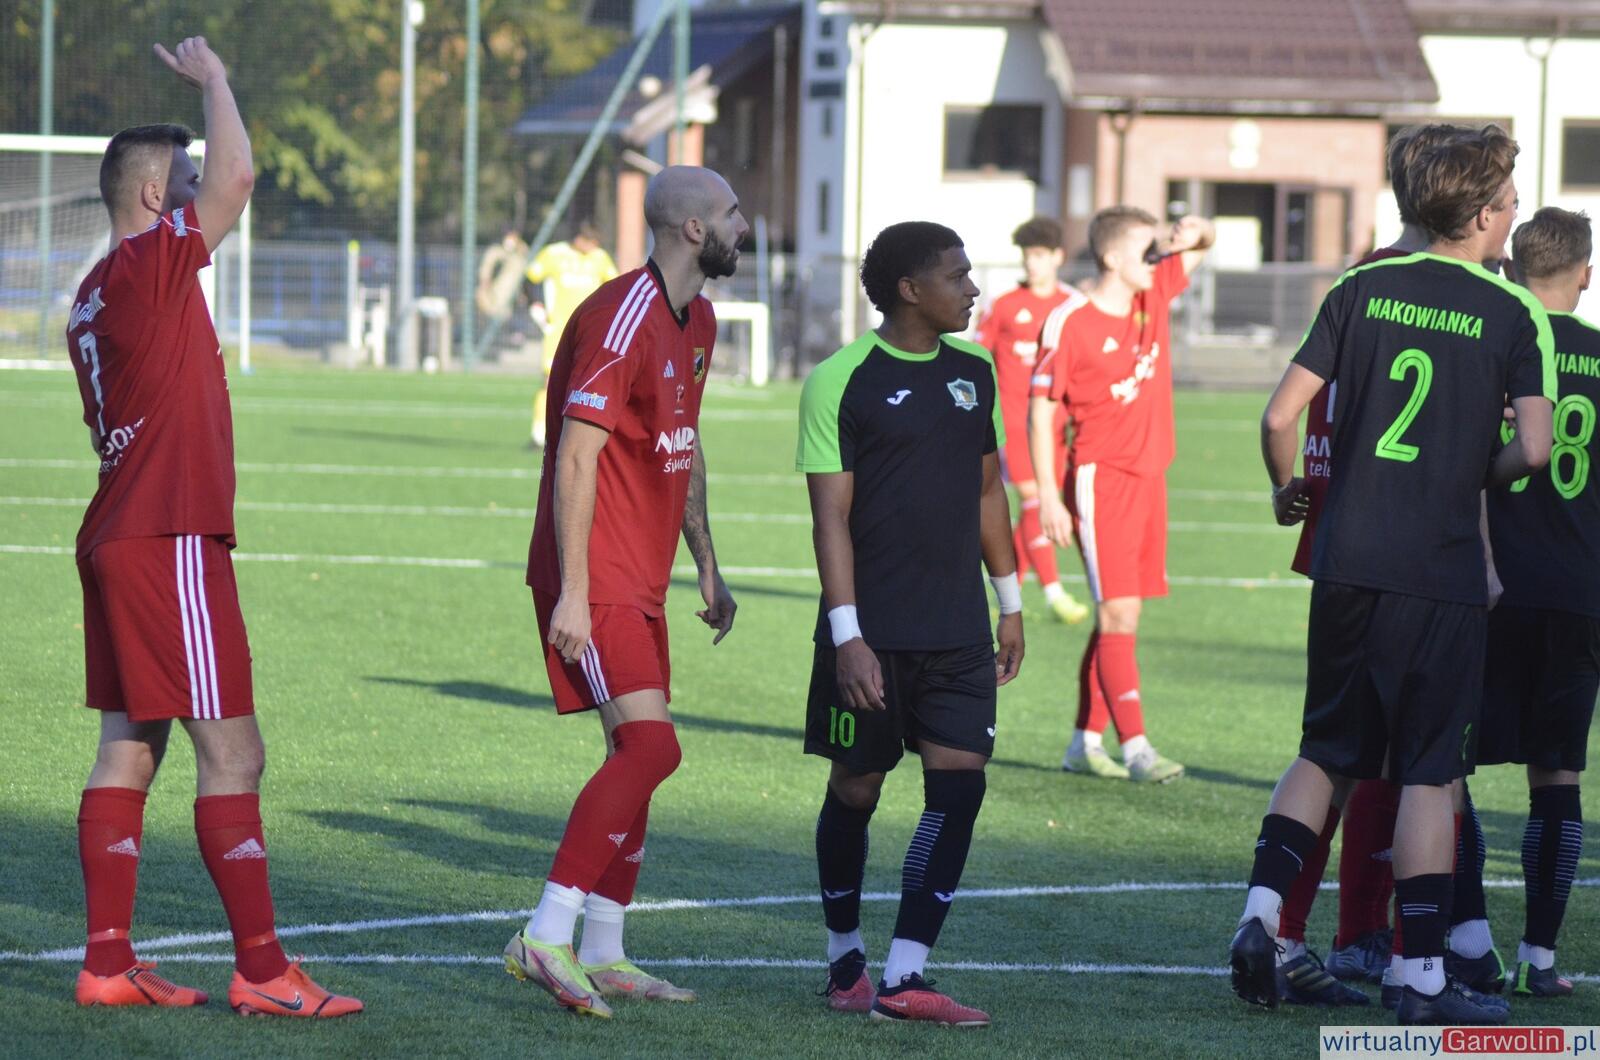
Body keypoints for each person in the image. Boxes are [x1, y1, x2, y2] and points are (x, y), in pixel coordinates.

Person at [1230, 124, 1554, 1026]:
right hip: (1437, 570)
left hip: (1347, 560)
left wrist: (1286, 489)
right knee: (1425, 772)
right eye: (1509, 202)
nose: (1513, 215)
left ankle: (1261, 918)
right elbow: (1532, 449)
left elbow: (1279, 416)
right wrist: (1472, 467)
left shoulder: (1360, 285)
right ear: (1481, 214)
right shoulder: (1511, 309)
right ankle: (1420, 979)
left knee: (1324, 750)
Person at [66, 38, 361, 1017]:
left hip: (118, 532)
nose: (203, 198)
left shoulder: (90, 295)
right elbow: (239, 176)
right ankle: (265, 972)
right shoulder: (150, 263)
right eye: (183, 184)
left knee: (129, 749)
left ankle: (108, 963)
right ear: (156, 197)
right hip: (170, 534)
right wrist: (219, 81)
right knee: (235, 753)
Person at [508, 166, 747, 1018]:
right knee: (652, 749)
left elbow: (684, 440)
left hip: (641, 576)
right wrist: (574, 592)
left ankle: (604, 950)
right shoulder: (621, 314)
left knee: (633, 753)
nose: (744, 227)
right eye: (732, 214)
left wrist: (706, 562)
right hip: (596, 573)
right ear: (693, 229)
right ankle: (545, 933)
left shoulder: (700, 319)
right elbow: (577, 455)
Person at [798, 221, 1025, 1028]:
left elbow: (989, 491)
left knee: (958, 788)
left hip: (958, 630)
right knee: (855, 788)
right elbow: (830, 518)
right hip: (872, 634)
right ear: (909, 289)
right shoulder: (840, 380)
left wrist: (1010, 601)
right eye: (957, 276)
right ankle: (844, 957)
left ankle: (904, 976)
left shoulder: (976, 371)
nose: (972, 289)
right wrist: (848, 636)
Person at [1271, 124, 1474, 1006]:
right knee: (1397, 757)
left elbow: (1302, 412)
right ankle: (1367, 937)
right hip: (1414, 545)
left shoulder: (1360, 283)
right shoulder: (1452, 293)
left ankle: (1292, 927)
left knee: (1351, 751)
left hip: (1347, 534)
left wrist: (1302, 489)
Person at [1028, 206, 1214, 781]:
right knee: (1118, 613)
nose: (1158, 258)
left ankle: (1083, 744)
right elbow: (1041, 414)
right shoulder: (1070, 321)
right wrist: (1049, 497)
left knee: (1119, 614)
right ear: (1112, 256)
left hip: (1149, 479)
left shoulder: (1151, 294)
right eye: (1146, 249)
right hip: (1099, 479)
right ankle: (1136, 749)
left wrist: (1195, 230)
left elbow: (1204, 244)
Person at [1476, 205, 1599, 998]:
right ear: (1585, 275)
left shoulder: (1498, 346)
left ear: (1514, 269)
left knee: (1445, 771)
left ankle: (1467, 943)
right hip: (1576, 592)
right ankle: (1540, 959)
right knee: (1556, 777)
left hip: (1486, 588)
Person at [975, 216, 1089, 625]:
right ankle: (1055, 594)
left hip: (1057, 427)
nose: (1031, 262)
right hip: (1013, 422)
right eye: (1027, 255)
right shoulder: (1004, 305)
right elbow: (978, 358)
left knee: (1035, 508)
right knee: (1036, 501)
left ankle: (1010, 591)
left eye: (1040, 254)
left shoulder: (1073, 306)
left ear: (1058, 256)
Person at [526, 221, 620, 447]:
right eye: (590, 242)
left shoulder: (600, 258)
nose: (593, 247)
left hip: (590, 332)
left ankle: (581, 435)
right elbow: (529, 280)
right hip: (558, 329)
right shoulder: (554, 254)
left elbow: (616, 287)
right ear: (579, 239)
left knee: (589, 383)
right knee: (549, 381)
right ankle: (539, 433)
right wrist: (535, 305)